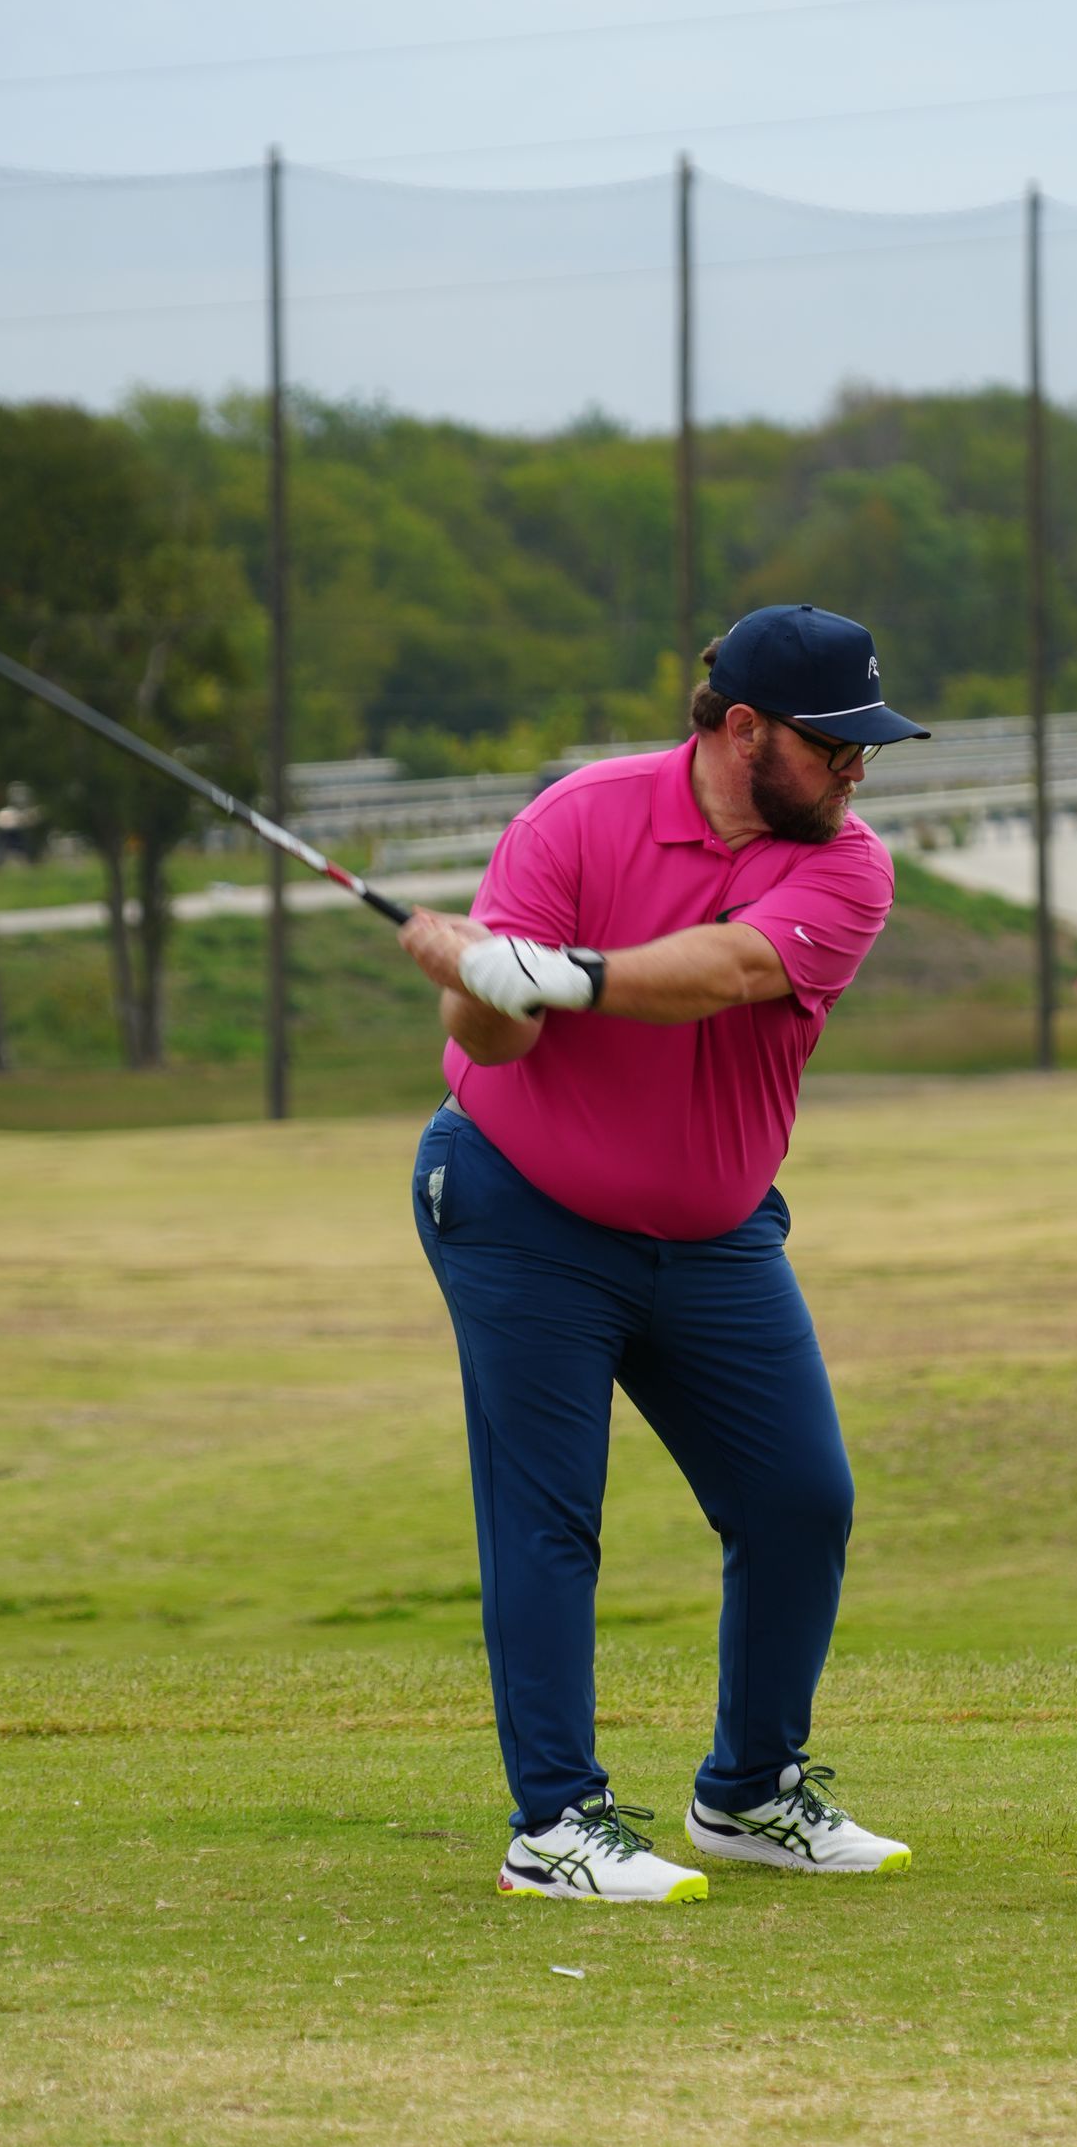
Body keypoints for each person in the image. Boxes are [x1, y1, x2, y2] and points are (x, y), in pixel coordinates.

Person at [398, 604, 929, 1905]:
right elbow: (498, 1041)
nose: (858, 768)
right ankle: (556, 1826)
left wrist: (556, 971)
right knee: (551, 1517)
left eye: (868, 745)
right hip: (523, 1209)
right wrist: (479, 977)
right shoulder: (577, 819)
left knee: (802, 1501)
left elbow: (725, 971)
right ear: (742, 728)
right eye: (833, 744)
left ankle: (748, 1794)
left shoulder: (847, 866)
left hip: (716, 1232)